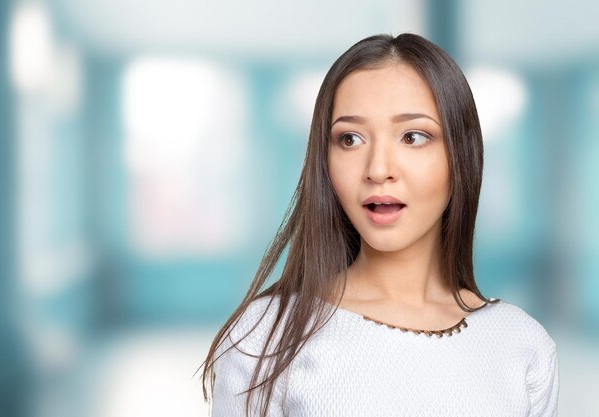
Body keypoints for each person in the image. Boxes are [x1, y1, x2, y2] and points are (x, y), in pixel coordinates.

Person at [199, 33, 559, 417]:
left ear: (461, 156)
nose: (378, 170)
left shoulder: (523, 346)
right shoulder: (265, 336)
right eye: (350, 139)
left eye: (413, 136)